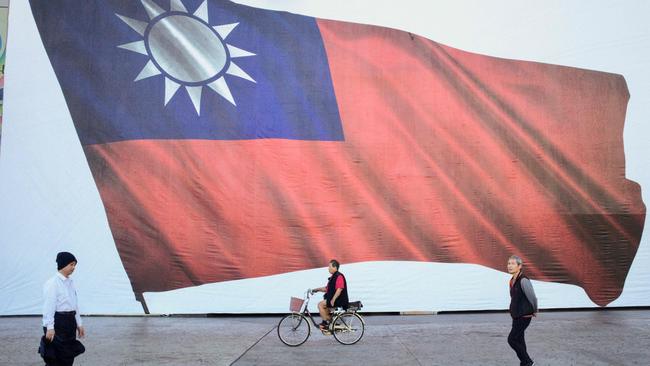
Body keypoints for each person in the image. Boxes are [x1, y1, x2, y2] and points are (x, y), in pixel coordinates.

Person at [41, 252, 85, 366]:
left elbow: (74, 305)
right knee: (56, 356)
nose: (73, 267)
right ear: (63, 264)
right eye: (71, 264)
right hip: (58, 323)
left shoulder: (70, 283)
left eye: (75, 265)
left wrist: (79, 324)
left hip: (70, 323)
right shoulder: (52, 283)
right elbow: (48, 307)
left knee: (68, 355)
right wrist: (50, 327)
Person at [507, 255, 538, 366]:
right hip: (516, 315)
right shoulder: (512, 280)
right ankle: (524, 363)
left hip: (524, 316)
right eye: (508, 263)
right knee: (519, 339)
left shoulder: (523, 280)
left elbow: (532, 297)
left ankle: (528, 361)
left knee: (512, 339)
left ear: (519, 266)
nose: (509, 266)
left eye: (512, 264)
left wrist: (534, 310)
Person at [311, 259, 349, 330]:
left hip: (339, 300)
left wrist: (333, 299)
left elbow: (339, 289)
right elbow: (326, 289)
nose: (328, 268)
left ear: (335, 267)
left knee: (320, 305)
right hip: (335, 299)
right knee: (325, 312)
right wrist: (316, 289)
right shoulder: (333, 277)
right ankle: (334, 323)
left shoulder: (339, 276)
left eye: (329, 266)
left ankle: (325, 323)